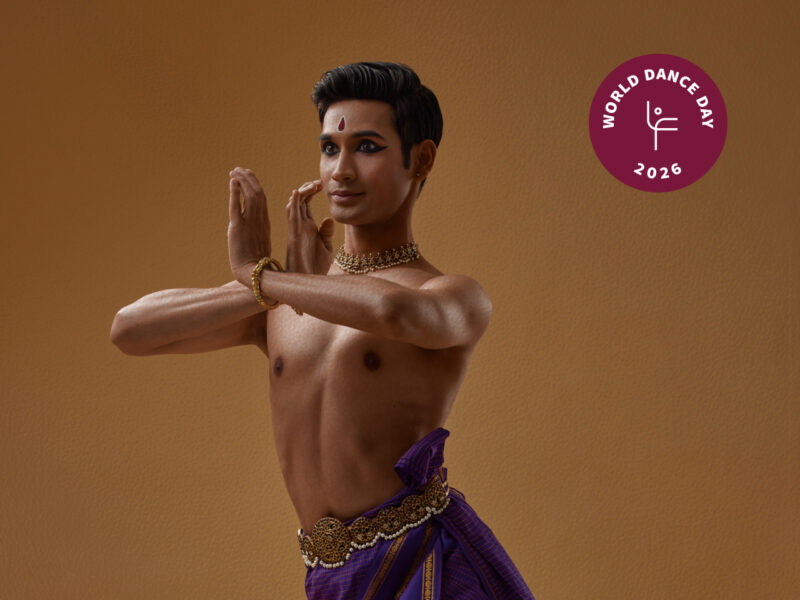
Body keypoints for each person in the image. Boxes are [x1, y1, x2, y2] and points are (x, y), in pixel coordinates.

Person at [110, 61, 535, 599]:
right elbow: (131, 330)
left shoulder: (451, 294)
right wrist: (263, 285)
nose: (342, 171)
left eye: (368, 147)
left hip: (426, 567)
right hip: (329, 578)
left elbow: (393, 315)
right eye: (331, 148)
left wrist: (265, 277)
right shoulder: (283, 295)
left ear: (422, 159)